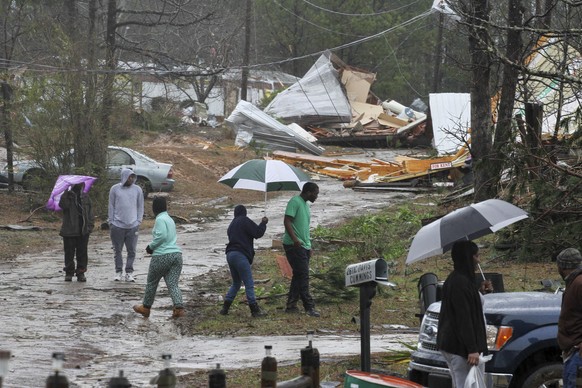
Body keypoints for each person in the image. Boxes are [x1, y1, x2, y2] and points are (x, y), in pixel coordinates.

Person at [437, 240, 492, 388]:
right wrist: (472, 349)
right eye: (476, 256)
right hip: (460, 347)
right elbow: (463, 318)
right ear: (468, 257)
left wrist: (479, 292)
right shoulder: (459, 283)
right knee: (464, 384)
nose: (478, 260)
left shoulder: (461, 280)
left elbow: (469, 305)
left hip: (458, 345)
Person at [133, 196, 185, 319]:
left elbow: (161, 236)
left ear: (154, 208)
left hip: (162, 255)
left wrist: (151, 247)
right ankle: (179, 308)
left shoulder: (160, 219)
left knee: (152, 282)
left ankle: (146, 307)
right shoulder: (170, 219)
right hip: (177, 255)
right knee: (173, 283)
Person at [219, 205, 269, 318]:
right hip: (240, 255)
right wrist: (263, 223)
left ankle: (225, 308)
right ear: (245, 212)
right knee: (249, 283)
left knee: (236, 283)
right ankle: (254, 310)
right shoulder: (245, 221)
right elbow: (257, 233)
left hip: (230, 255)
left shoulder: (231, 225)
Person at [282, 182, 320, 317]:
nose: (316, 196)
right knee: (303, 275)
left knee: (298, 275)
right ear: (309, 192)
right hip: (294, 245)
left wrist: (308, 246)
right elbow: (287, 221)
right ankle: (309, 307)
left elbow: (304, 227)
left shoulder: (305, 205)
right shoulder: (295, 201)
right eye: (315, 194)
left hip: (304, 245)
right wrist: (295, 240)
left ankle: (291, 305)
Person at [108, 168, 144, 282]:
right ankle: (118, 271)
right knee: (117, 250)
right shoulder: (115, 189)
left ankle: (129, 272)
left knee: (131, 250)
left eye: (133, 177)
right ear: (124, 177)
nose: (131, 179)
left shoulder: (137, 190)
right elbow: (111, 205)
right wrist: (111, 221)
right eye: (129, 177)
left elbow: (140, 206)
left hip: (133, 225)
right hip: (117, 225)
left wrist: (138, 220)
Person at [556, 248, 582, 388]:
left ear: (561, 266)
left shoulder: (579, 283)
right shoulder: (574, 282)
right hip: (572, 353)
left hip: (578, 354)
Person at [58, 183, 94, 282]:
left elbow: (90, 212)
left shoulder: (86, 196)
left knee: (82, 253)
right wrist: (66, 194)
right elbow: (62, 206)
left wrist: (90, 225)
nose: (81, 184)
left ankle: (80, 272)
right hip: (69, 230)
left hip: (83, 230)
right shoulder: (67, 195)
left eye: (82, 183)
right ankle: (69, 272)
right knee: (69, 253)